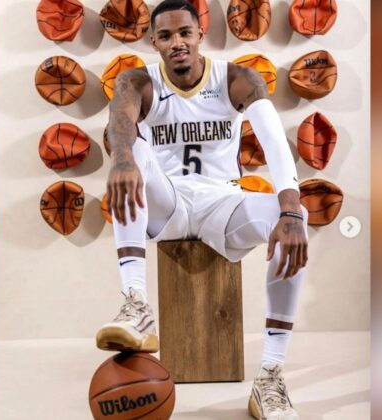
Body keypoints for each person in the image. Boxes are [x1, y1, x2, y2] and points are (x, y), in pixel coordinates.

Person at [96, 1, 308, 418]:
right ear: (152, 41)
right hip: (167, 203)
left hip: (222, 204)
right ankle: (136, 303)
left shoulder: (236, 78)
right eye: (166, 36)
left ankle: (269, 375)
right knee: (128, 144)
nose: (177, 43)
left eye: (184, 33)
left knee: (289, 230)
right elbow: (120, 118)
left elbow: (273, 141)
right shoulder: (137, 80)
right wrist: (121, 157)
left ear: (199, 35)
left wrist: (291, 210)